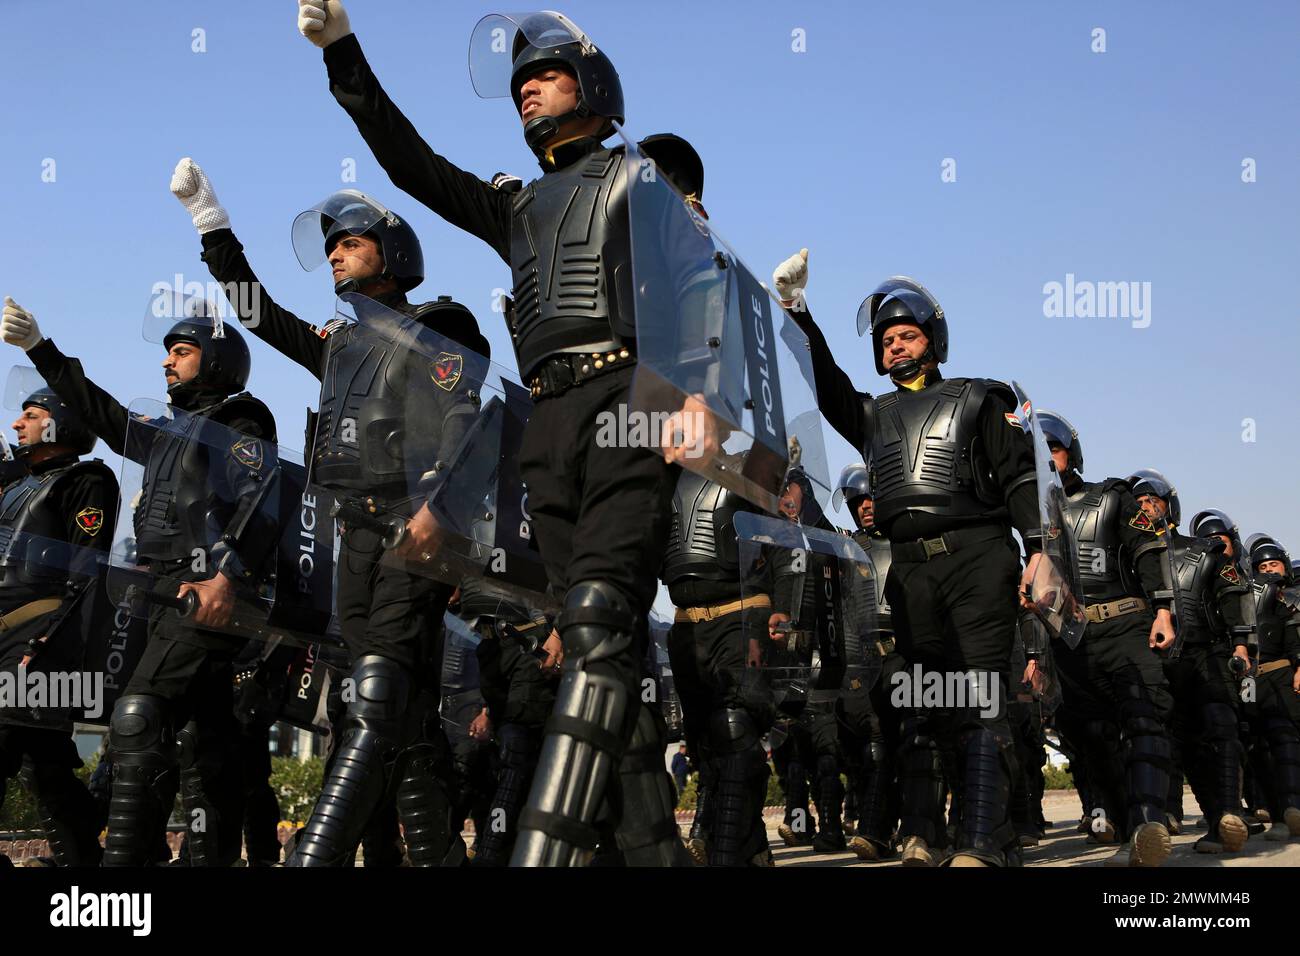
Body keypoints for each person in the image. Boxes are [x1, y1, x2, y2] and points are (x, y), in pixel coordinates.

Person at [300, 2, 697, 864]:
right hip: (546, 423)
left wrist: (697, 398)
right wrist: (343, 54)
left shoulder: (642, 182)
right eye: (517, 84)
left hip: (629, 399)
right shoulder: (514, 209)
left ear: (592, 85)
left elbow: (702, 295)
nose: (526, 92)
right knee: (602, 654)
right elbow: (412, 166)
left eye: (544, 77)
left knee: (596, 615)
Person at [171, 158, 490, 866]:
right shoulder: (340, 344)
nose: (335, 257)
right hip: (353, 543)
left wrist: (441, 509)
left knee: (375, 697)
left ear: (391, 250)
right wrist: (212, 227)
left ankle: (314, 857)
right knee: (395, 715)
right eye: (331, 249)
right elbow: (260, 314)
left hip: (415, 535)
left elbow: (467, 426)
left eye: (348, 243)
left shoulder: (438, 325)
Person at [770, 251, 1041, 867]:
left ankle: (983, 841)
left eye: (907, 335)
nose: (894, 346)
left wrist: (1041, 553)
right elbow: (825, 379)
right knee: (926, 701)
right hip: (912, 570)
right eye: (887, 338)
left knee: (979, 697)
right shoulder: (872, 416)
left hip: (977, 557)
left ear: (933, 339)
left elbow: (1022, 480)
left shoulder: (978, 399)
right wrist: (797, 313)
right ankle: (927, 831)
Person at [2, 294, 279, 866]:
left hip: (206, 589)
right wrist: (40, 348)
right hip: (165, 594)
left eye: (181, 351)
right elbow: (98, 409)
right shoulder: (167, 432)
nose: (167, 362)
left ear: (217, 361)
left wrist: (226, 580)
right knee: (207, 743)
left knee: (138, 715)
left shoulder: (239, 420)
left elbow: (262, 504)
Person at [1024, 412, 1175, 865]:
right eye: (1041, 454)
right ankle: (1126, 824)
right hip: (1069, 638)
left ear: (1071, 452)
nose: (1049, 460)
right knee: (1092, 737)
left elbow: (1148, 552)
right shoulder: (1033, 518)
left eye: (1055, 449)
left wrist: (1163, 610)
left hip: (1127, 625)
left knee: (1144, 718)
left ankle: (1150, 818)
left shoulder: (1112, 497)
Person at [0, 380, 117, 866]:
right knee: (43, 764)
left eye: (29, 414)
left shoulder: (84, 480)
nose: (17, 424)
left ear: (58, 421)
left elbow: (86, 569)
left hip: (40, 638)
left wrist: (50, 641)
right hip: (9, 635)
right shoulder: (18, 484)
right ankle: (83, 861)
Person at [833, 462, 907, 862]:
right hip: (861, 658)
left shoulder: (907, 540)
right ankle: (880, 827)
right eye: (857, 500)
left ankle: (892, 829)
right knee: (867, 748)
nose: (864, 506)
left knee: (906, 744)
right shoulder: (846, 549)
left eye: (870, 498)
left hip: (906, 652)